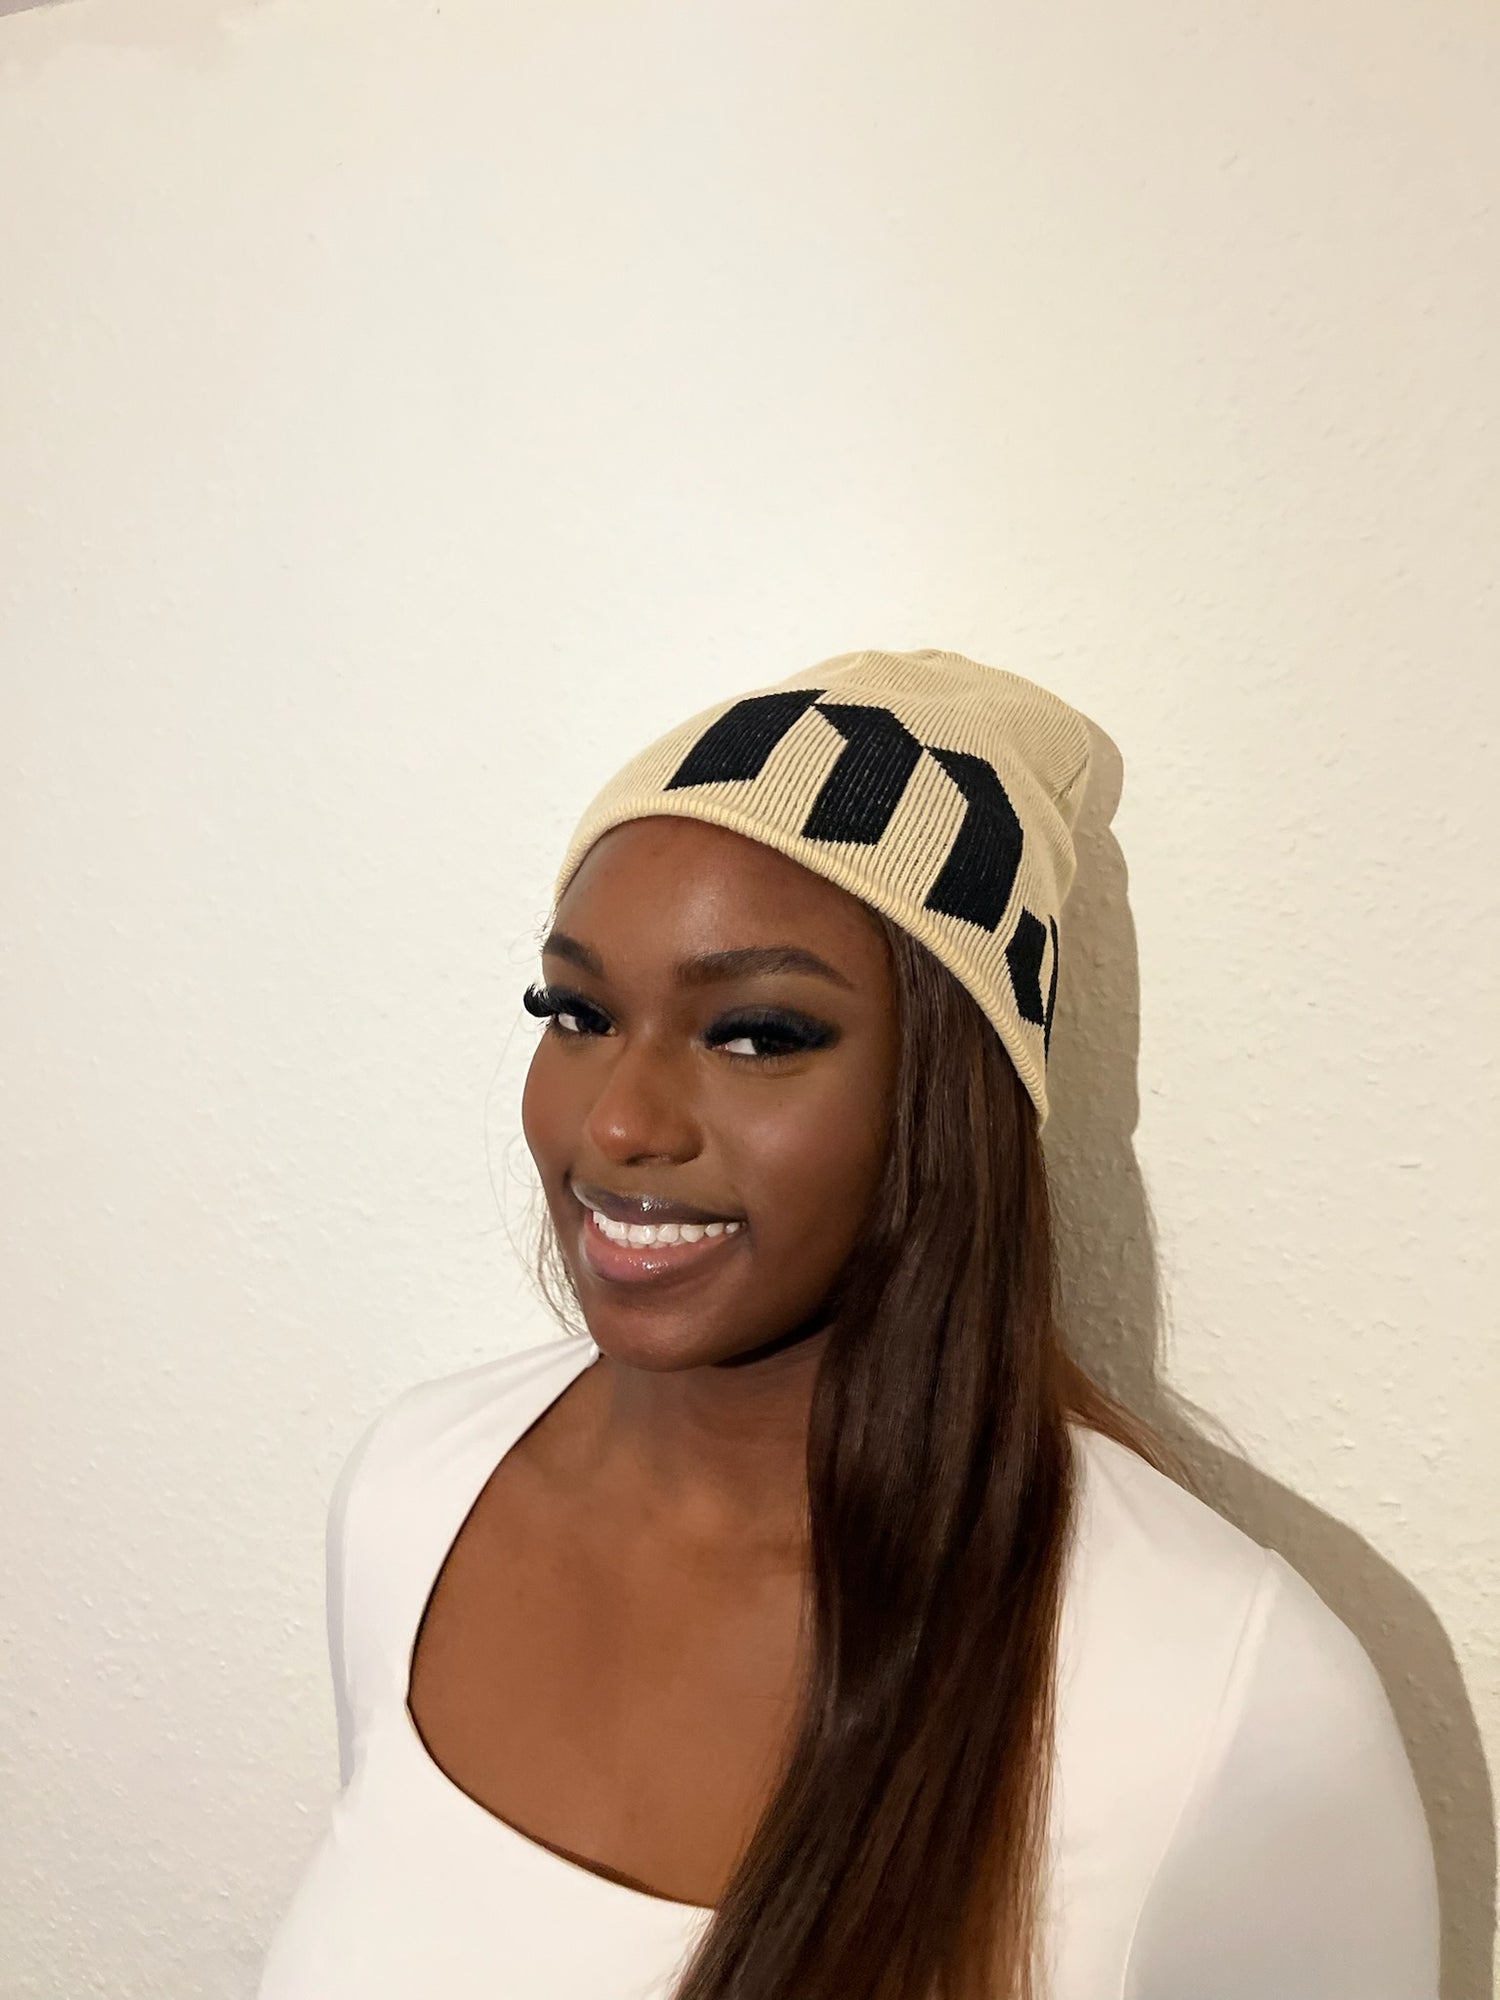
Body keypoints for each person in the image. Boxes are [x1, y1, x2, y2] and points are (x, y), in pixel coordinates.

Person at [257, 649, 1440, 2000]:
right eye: (577, 1013)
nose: (620, 1121)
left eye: (757, 1035)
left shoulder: (1226, 1701)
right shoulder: (414, 1499)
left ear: (950, 1097)